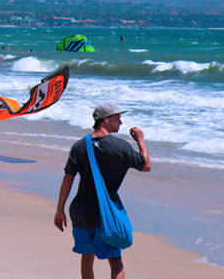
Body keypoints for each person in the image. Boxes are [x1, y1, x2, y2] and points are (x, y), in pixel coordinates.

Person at [54, 102, 151, 279]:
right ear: (105, 120)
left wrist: (59, 210)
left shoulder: (79, 146)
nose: (120, 122)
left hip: (81, 211)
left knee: (87, 257)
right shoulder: (120, 146)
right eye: (117, 118)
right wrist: (140, 140)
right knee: (115, 261)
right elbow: (146, 166)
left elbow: (68, 178)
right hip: (106, 213)